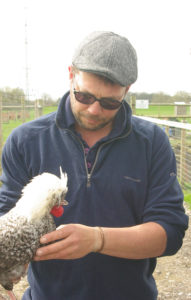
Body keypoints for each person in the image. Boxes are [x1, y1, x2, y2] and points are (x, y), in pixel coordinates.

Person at [0, 31, 188, 300]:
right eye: (85, 96)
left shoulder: (152, 142)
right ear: (70, 74)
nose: (94, 110)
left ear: (127, 90)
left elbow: (169, 233)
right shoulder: (26, 140)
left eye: (110, 102)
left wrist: (98, 240)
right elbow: (6, 217)